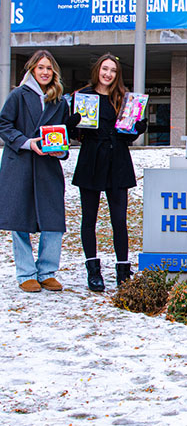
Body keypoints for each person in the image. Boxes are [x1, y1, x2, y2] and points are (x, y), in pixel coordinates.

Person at [0, 50, 76, 292]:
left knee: (53, 220)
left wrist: (60, 151)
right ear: (32, 69)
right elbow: (3, 124)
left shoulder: (59, 101)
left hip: (47, 167)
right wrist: (26, 142)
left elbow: (63, 136)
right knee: (20, 220)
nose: (45, 72)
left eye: (49, 68)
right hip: (20, 164)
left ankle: (47, 271)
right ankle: (26, 273)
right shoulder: (18, 95)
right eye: (41, 67)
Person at [71, 53, 147, 292]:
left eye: (113, 70)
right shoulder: (83, 96)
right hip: (91, 160)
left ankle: (123, 270)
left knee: (120, 220)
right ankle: (93, 271)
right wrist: (72, 123)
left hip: (118, 162)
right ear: (97, 70)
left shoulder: (124, 98)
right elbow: (75, 134)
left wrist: (137, 128)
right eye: (105, 69)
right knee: (89, 219)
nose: (108, 74)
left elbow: (126, 134)